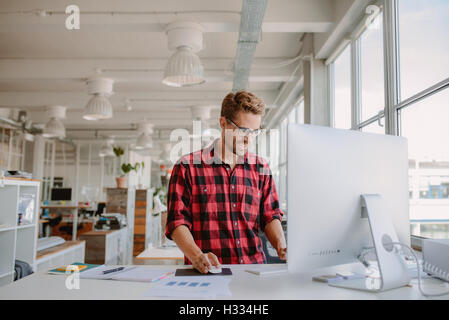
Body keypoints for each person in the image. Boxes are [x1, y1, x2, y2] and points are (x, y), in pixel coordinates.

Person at [165, 90, 286, 273]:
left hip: (254, 271)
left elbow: (270, 215)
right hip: (208, 272)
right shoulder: (187, 167)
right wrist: (197, 256)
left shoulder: (261, 167)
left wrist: (282, 246)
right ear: (223, 123)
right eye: (243, 130)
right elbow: (177, 222)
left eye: (255, 132)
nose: (248, 139)